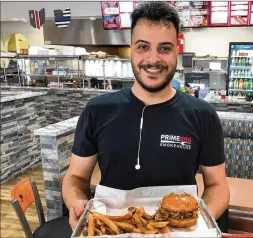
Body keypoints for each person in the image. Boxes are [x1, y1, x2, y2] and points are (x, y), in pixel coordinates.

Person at [62, 1, 230, 235]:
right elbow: (75, 177)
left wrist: (199, 225)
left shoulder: (203, 115)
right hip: (111, 230)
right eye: (143, 47)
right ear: (131, 48)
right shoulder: (97, 110)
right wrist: (77, 202)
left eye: (164, 48)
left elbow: (217, 185)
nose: (153, 59)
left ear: (176, 53)